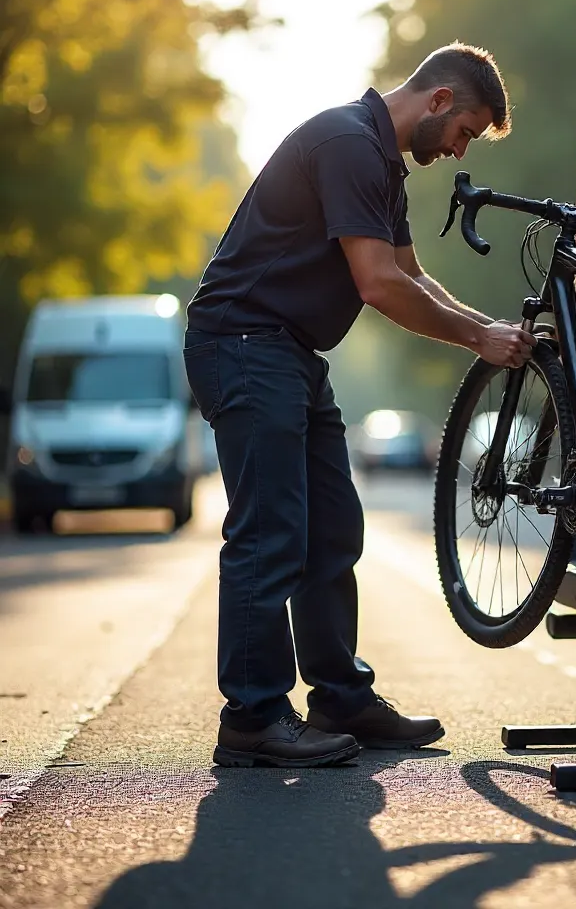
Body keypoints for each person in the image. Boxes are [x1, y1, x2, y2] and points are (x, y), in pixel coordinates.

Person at [183, 43, 536, 767]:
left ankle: (341, 697)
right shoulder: (347, 142)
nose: (461, 149)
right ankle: (252, 716)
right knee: (269, 534)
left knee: (334, 530)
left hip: (292, 355)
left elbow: (414, 275)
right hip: (245, 345)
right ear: (438, 100)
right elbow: (377, 284)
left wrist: (487, 332)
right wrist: (478, 339)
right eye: (466, 131)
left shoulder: (382, 162)